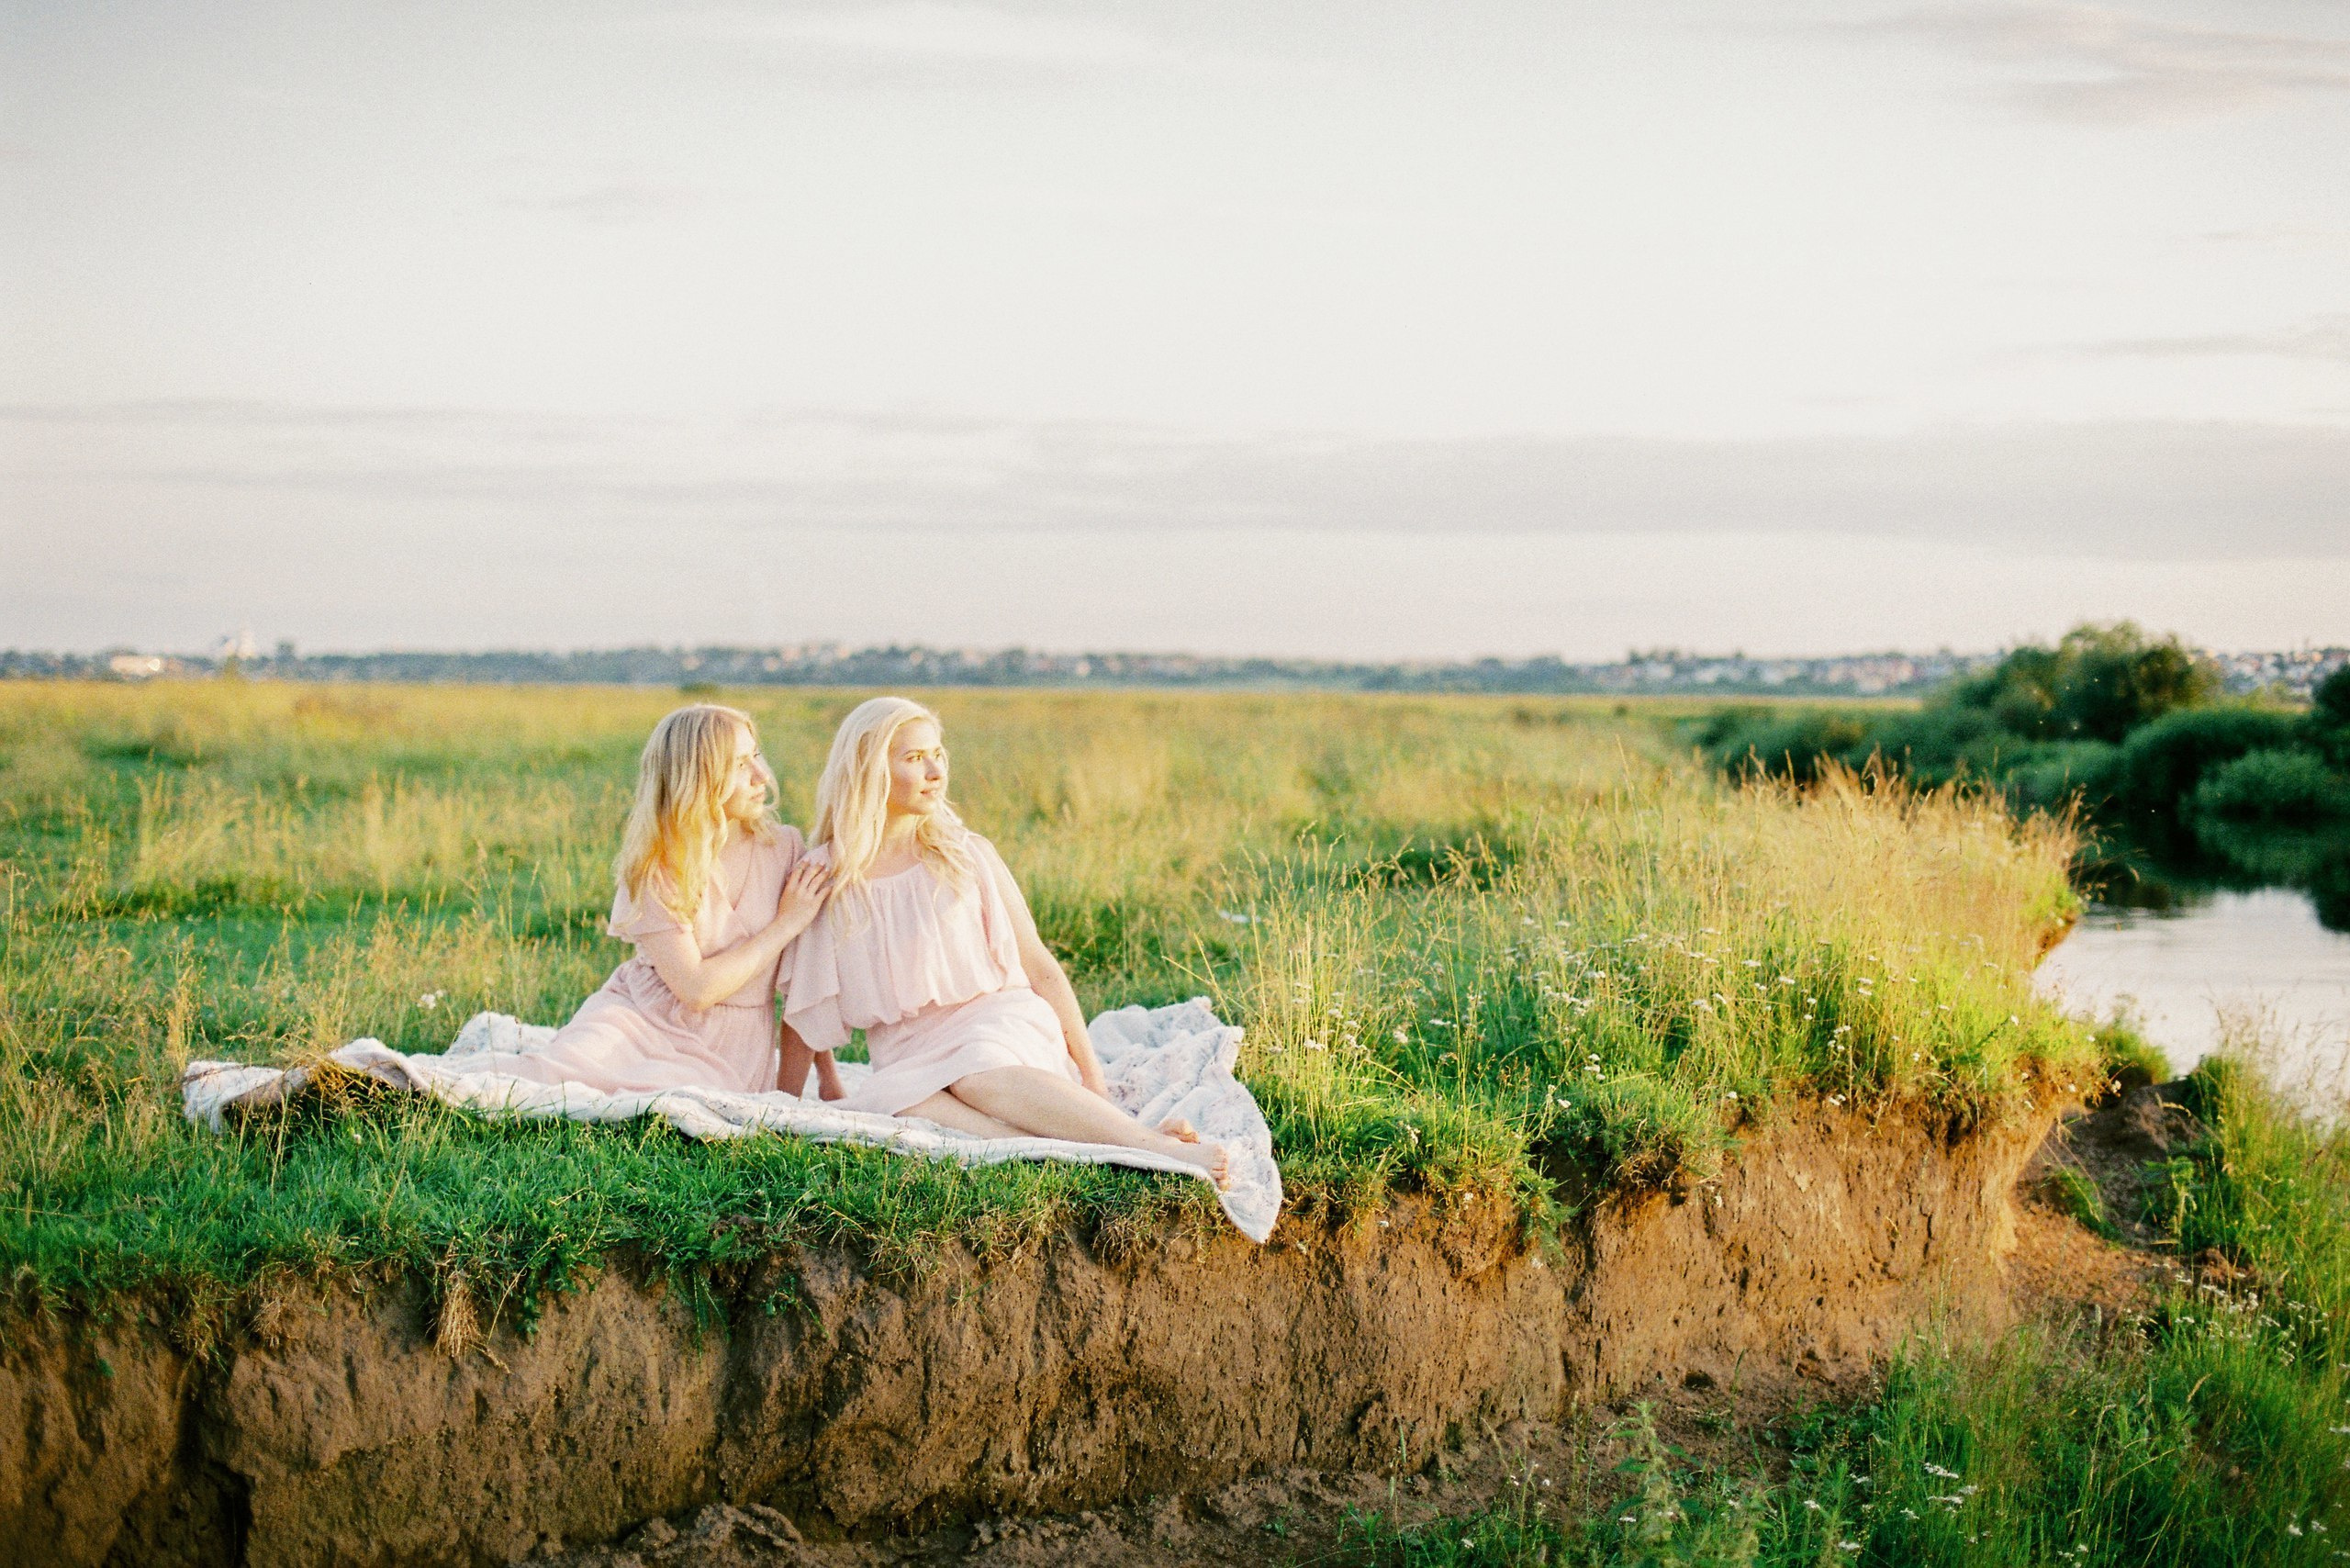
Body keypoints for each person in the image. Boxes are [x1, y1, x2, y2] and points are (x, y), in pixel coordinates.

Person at [776, 696, 1228, 1185]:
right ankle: (1099, 1141)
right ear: (868, 770)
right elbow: (806, 1006)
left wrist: (1095, 1086)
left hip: (997, 1024)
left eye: (938, 754)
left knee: (975, 1071)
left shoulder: (967, 856)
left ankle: (1151, 1146)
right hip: (907, 1056)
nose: (935, 770)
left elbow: (1041, 968)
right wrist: (782, 1106)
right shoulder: (827, 875)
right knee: (893, 1101)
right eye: (913, 758)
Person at [473, 703, 842, 1098]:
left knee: (683, 1093)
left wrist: (816, 1086)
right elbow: (696, 989)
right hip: (638, 1018)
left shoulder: (784, 848)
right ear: (697, 777)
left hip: (731, 1047)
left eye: (755, 756)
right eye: (738, 765)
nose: (760, 775)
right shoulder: (660, 867)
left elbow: (806, 985)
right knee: (545, 1079)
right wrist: (785, 924)